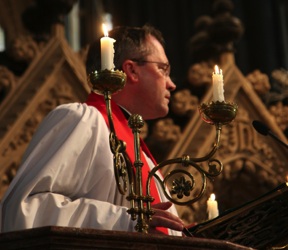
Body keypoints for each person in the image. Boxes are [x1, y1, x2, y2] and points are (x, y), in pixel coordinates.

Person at [0, 24, 184, 236]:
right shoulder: (83, 121)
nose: (172, 84)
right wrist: (126, 220)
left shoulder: (145, 158)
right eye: (163, 69)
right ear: (131, 70)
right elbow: (24, 209)